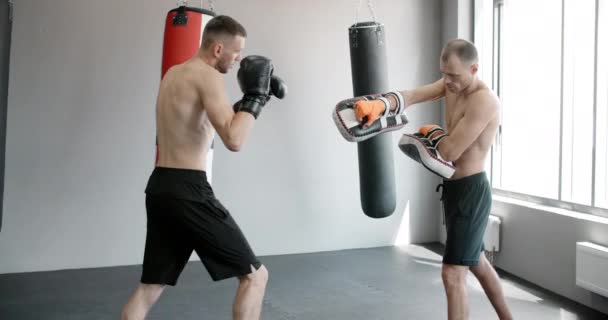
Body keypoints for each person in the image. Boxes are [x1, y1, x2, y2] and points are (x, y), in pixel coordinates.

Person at [121, 15, 286, 320]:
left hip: (161, 186)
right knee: (255, 276)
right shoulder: (208, 77)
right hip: (188, 191)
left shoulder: (174, 73)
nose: (238, 60)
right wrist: (256, 97)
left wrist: (255, 101)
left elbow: (202, 125)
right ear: (219, 49)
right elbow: (234, 139)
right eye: (236, 52)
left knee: (149, 287)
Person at [353, 39, 513, 320]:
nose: (447, 82)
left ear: (474, 68)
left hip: (471, 192)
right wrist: (381, 104)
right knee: (477, 264)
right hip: (452, 188)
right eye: (444, 73)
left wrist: (433, 133)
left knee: (452, 274)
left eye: (454, 75)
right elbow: (413, 95)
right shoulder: (451, 85)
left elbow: (450, 151)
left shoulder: (484, 101)